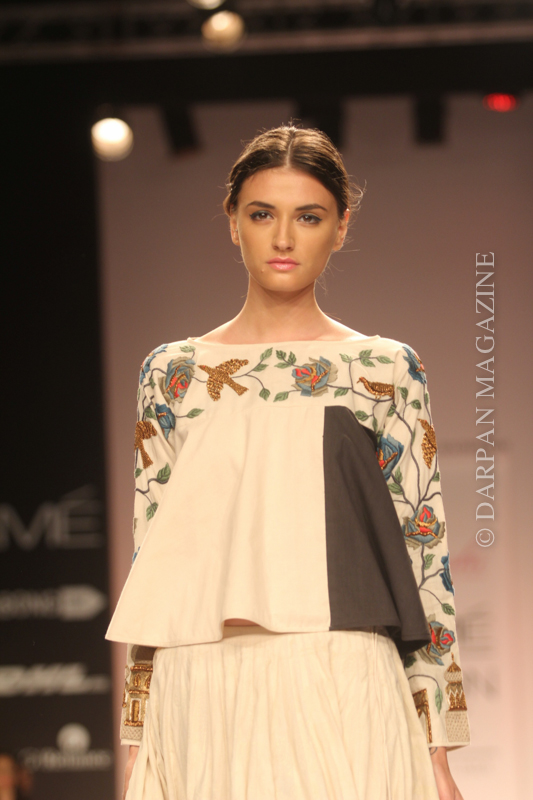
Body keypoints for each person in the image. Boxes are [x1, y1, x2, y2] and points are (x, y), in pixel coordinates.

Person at [106, 124, 470, 800]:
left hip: (344, 671)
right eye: (260, 214)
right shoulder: (173, 374)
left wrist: (437, 747)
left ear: (340, 227)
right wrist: (138, 737)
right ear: (232, 223)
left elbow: (424, 552)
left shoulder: (382, 369)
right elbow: (154, 557)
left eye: (308, 217)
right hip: (201, 681)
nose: (282, 238)